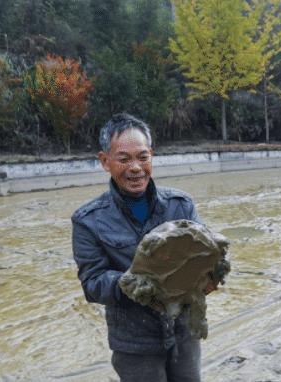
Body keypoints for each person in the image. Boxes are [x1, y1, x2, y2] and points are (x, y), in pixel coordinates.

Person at [71, 113, 207, 381]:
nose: (136, 167)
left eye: (143, 157)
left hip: (184, 333)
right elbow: (92, 282)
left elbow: (204, 256)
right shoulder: (88, 220)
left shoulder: (181, 205)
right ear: (104, 161)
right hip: (134, 344)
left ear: (151, 156)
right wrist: (140, 281)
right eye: (124, 159)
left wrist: (209, 276)